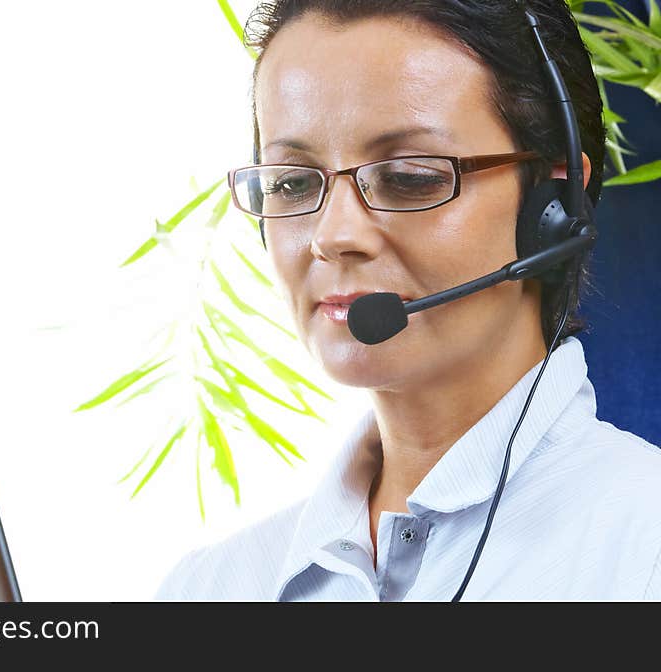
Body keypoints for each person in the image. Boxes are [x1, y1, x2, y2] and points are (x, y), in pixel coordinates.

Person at [154, 0, 661, 601]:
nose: (332, 235)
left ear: (553, 207)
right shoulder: (212, 588)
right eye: (292, 182)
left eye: (409, 176)